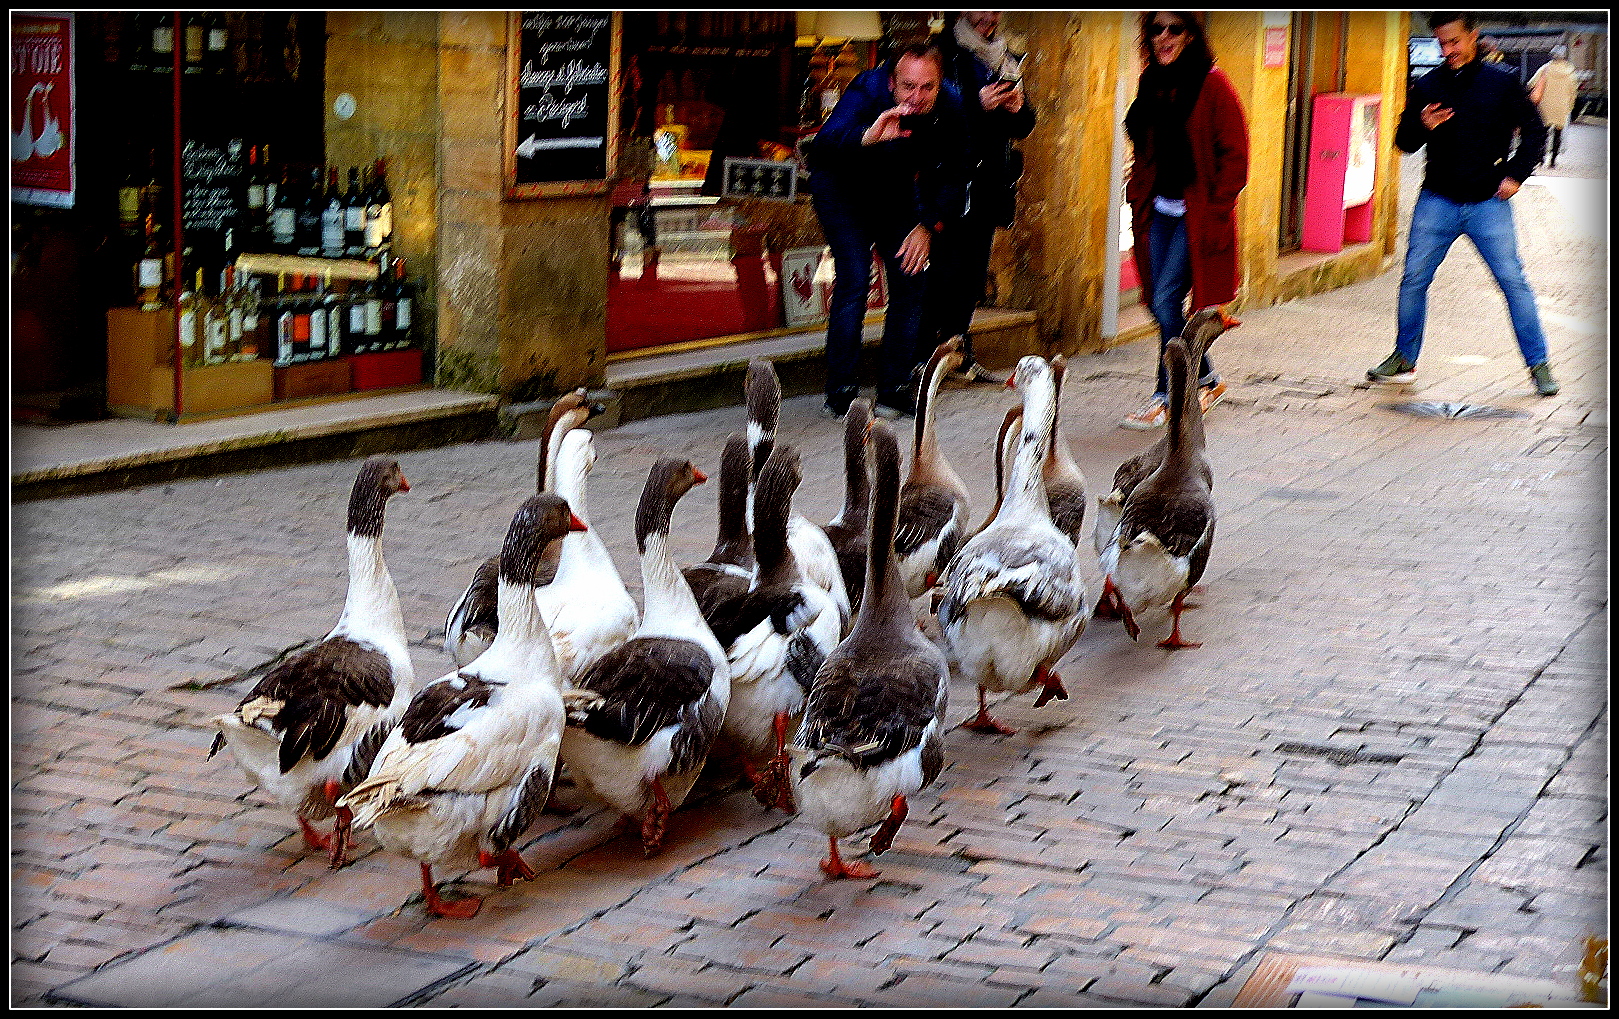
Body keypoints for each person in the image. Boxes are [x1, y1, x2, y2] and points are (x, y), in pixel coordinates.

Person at [1367, 12, 1558, 397]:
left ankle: (1539, 365)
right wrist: (1422, 124)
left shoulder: (1502, 83)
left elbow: (1536, 130)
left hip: (1489, 202)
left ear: (1473, 36)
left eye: (1454, 41)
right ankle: (1405, 359)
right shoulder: (1429, 84)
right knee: (1413, 280)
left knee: (1513, 282)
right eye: (1441, 43)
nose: (1447, 50)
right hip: (1436, 200)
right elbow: (1404, 143)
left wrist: (1516, 175)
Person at [808, 42, 967, 420]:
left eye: (927, 87)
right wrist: (869, 136)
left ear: (940, 82)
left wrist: (928, 226)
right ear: (892, 83)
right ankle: (841, 391)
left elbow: (956, 171)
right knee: (854, 279)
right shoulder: (866, 89)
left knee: (911, 280)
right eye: (908, 86)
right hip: (841, 191)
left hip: (894, 195)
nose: (917, 97)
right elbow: (822, 147)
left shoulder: (951, 103)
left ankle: (894, 387)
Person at [1119, 12, 1249, 430]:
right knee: (1162, 301)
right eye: (1156, 29)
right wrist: (1139, 187)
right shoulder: (1151, 82)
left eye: (1174, 29)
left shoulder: (1213, 85)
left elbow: (1236, 155)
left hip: (1195, 215)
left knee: (1164, 301)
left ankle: (1168, 393)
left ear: (1190, 35)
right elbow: (1146, 145)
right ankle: (1206, 376)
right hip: (1158, 208)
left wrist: (1216, 208)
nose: (1164, 37)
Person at [927, 11, 1037, 385]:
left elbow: (1024, 126)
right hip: (951, 182)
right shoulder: (944, 51)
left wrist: (1018, 108)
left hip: (988, 185)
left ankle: (960, 353)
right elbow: (930, 116)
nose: (990, 14)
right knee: (943, 273)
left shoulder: (1004, 55)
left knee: (971, 276)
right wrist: (976, 105)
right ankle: (930, 360)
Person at [1529, 45, 1578, 168]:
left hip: (1545, 106)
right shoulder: (1570, 72)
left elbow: (1531, 83)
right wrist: (1570, 106)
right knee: (1558, 134)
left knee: (1543, 133)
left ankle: (1540, 158)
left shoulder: (1545, 69)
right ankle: (1553, 161)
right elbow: (1573, 92)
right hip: (1562, 107)